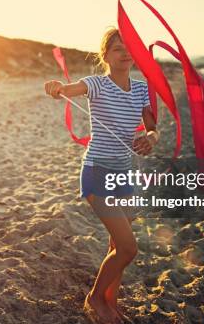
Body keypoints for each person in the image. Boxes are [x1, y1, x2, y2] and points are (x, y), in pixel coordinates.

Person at [44, 28, 159, 323]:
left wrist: (151, 139)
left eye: (128, 48)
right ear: (105, 55)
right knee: (129, 248)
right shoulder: (96, 83)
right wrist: (59, 87)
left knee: (115, 246)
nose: (125, 53)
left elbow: (151, 126)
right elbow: (71, 89)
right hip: (97, 171)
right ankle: (94, 298)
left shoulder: (142, 88)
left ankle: (111, 300)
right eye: (118, 48)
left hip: (124, 174)